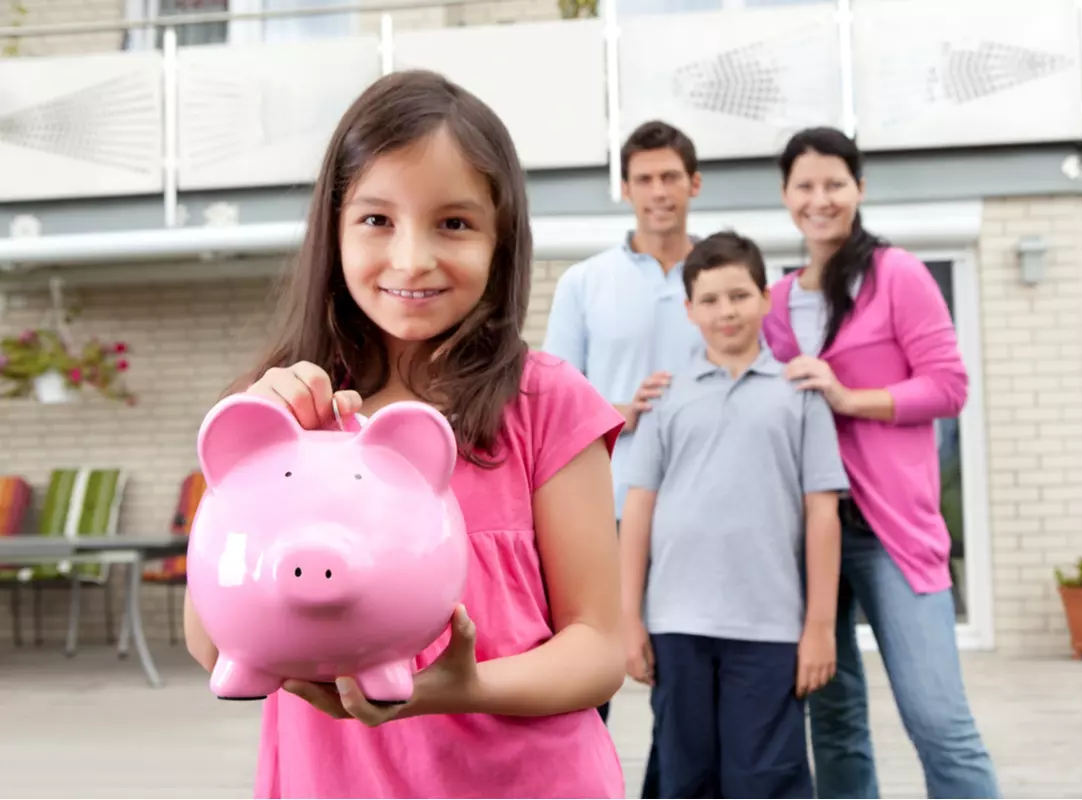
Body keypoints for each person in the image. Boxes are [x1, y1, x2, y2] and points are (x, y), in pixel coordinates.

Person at [182, 69, 628, 799]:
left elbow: (599, 648)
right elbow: (210, 643)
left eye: (453, 222)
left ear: (501, 239)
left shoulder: (546, 401)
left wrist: (458, 688)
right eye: (377, 220)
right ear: (333, 227)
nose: (412, 259)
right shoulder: (281, 408)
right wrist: (249, 476)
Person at [760, 126, 1001, 799]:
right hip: (811, 533)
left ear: (859, 190)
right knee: (834, 720)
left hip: (893, 530)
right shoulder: (776, 304)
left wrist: (849, 397)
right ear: (786, 195)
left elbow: (949, 385)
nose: (820, 198)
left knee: (937, 719)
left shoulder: (897, 274)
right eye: (805, 185)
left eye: (834, 183)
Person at [618, 231, 846, 799]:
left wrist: (819, 625)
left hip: (769, 626)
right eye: (712, 299)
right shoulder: (665, 397)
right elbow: (639, 508)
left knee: (764, 778)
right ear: (690, 309)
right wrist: (629, 615)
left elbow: (822, 513)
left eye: (739, 295)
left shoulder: (800, 394)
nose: (727, 311)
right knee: (683, 774)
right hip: (676, 622)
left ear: (766, 298)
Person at [541, 119, 706, 796]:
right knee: (590, 686)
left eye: (671, 177)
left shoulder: (723, 275)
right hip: (604, 518)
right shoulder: (585, 282)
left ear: (694, 184)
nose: (658, 191)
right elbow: (552, 405)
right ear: (625, 187)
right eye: (644, 178)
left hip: (697, 517)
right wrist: (622, 411)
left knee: (685, 701)